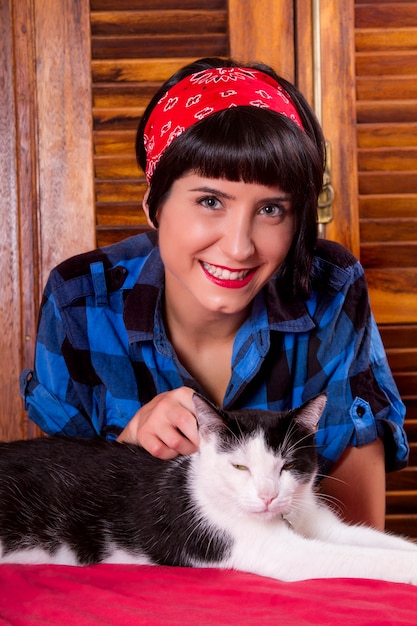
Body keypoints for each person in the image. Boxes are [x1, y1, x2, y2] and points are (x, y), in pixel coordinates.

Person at [20, 57, 408, 531]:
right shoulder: (79, 302)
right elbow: (58, 541)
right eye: (210, 201)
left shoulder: (332, 290)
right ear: (154, 203)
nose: (239, 246)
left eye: (271, 209)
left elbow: (354, 547)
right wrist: (129, 447)